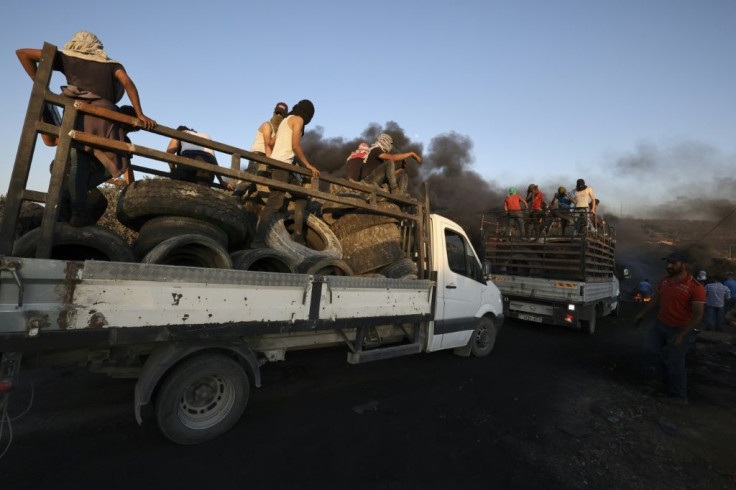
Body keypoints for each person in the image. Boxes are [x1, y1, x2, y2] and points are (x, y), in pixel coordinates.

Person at [17, 31, 155, 227]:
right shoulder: (112, 64)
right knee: (112, 159)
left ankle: (77, 208)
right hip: (106, 120)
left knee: (77, 160)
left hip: (78, 117)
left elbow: (22, 53)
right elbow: (128, 82)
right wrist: (141, 114)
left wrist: (41, 85)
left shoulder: (67, 57)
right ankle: (74, 200)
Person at [634, 251, 705, 404]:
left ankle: (679, 396)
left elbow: (698, 315)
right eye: (668, 262)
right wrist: (642, 314)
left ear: (684, 265)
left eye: (674, 263)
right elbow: (656, 299)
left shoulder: (695, 287)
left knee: (675, 362)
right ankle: (664, 379)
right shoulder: (664, 281)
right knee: (650, 351)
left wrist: (682, 335)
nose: (669, 265)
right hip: (660, 325)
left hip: (681, 329)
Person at [252, 99, 320, 247]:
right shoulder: (299, 119)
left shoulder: (285, 121)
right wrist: (309, 166)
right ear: (308, 113)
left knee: (301, 197)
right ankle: (257, 241)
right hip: (282, 166)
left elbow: (270, 143)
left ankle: (297, 235)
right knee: (275, 203)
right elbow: (295, 145)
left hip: (281, 165)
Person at [234, 102, 289, 197]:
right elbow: (267, 144)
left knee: (262, 180)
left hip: (271, 156)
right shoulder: (267, 125)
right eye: (277, 113)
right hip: (259, 153)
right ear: (274, 112)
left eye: (282, 114)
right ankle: (236, 195)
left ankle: (249, 198)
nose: (279, 116)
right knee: (252, 174)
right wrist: (272, 161)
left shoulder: (280, 131)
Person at [345, 133, 422, 195]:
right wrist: (411, 154)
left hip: (376, 179)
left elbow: (389, 174)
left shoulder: (382, 159)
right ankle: (394, 190)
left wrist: (401, 168)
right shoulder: (376, 149)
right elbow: (391, 157)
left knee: (403, 175)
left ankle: (401, 194)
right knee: (390, 162)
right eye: (389, 143)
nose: (390, 146)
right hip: (369, 179)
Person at [167, 126, 233, 190]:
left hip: (188, 165)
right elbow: (213, 159)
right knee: (202, 192)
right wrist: (221, 181)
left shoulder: (182, 131)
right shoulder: (206, 135)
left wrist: (173, 171)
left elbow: (169, 152)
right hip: (208, 168)